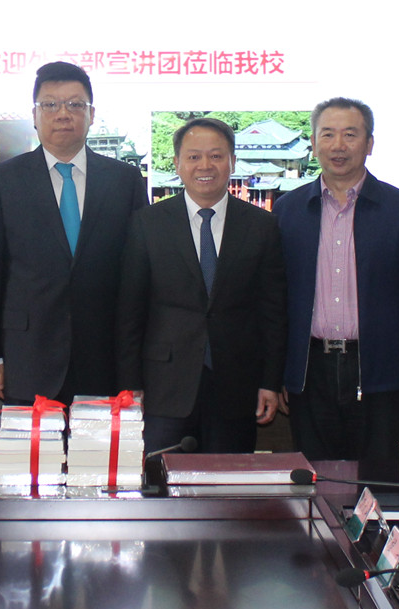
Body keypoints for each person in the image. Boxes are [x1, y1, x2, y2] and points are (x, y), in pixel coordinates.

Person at [0, 60, 147, 405]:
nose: (63, 114)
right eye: (50, 104)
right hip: (26, 355)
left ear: (92, 114)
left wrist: (136, 364)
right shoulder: (1, 181)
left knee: (100, 443)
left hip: (105, 357)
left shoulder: (124, 180)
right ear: (34, 115)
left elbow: (138, 276)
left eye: (75, 104)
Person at [277, 97, 399, 467]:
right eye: (328, 135)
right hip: (309, 370)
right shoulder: (288, 210)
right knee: (317, 479)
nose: (338, 145)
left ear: (369, 144)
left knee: (379, 479)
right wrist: (279, 375)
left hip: (379, 369)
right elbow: (275, 300)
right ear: (313, 143)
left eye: (350, 135)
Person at [116, 116, 288, 453]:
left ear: (232, 162)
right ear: (177, 164)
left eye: (216, 156)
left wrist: (270, 381)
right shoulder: (147, 223)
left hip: (237, 385)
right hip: (164, 385)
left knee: (228, 481)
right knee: (161, 478)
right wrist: (130, 384)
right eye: (194, 156)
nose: (205, 166)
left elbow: (273, 312)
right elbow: (129, 311)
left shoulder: (262, 226)